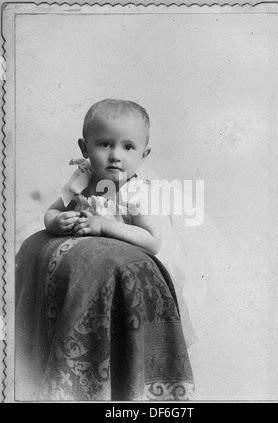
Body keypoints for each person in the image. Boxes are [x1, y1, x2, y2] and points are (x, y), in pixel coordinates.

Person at [44, 98, 196, 348]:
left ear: (143, 155)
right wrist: (57, 222)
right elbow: (51, 212)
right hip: (90, 271)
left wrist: (104, 225)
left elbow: (152, 240)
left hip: (129, 277)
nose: (115, 156)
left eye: (128, 147)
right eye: (105, 144)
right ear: (85, 148)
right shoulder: (82, 179)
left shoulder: (136, 191)